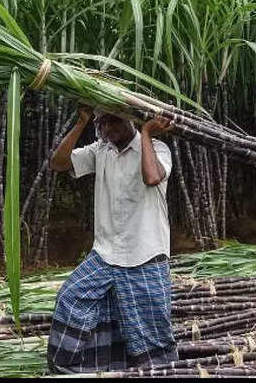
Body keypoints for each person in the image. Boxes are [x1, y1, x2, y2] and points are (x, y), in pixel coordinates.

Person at [46, 106, 177, 373]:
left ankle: (156, 371)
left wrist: (148, 132)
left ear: (130, 118)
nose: (107, 129)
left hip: (145, 254)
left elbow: (152, 178)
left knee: (150, 331)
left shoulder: (157, 149)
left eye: (113, 121)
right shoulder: (100, 150)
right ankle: (73, 370)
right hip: (106, 254)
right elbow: (58, 164)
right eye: (101, 123)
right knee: (70, 298)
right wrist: (82, 122)